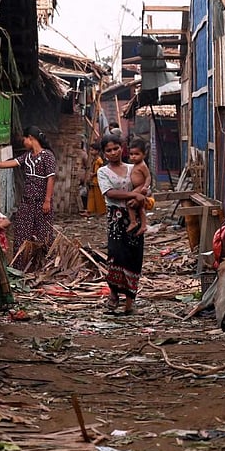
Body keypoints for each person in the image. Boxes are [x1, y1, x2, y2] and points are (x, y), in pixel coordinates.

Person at [97, 132, 149, 314]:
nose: (113, 152)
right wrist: (133, 194)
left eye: (116, 148)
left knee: (134, 257)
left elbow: (145, 185)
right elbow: (109, 193)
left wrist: (141, 195)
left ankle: (129, 302)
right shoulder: (102, 172)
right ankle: (113, 293)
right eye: (108, 150)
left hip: (134, 215)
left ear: (122, 148)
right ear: (104, 153)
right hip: (116, 219)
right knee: (116, 255)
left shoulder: (132, 167)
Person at [0, 126, 56, 269]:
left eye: (24, 139)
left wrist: (47, 201)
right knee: (22, 234)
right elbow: (12, 163)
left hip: (42, 203)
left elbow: (51, 179)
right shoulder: (27, 157)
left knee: (43, 235)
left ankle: (42, 267)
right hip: (27, 202)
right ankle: (21, 267)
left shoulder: (47, 156)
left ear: (31, 138)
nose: (23, 142)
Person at [126, 137, 155, 235]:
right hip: (137, 188)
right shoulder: (135, 165)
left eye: (137, 154)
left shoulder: (142, 165)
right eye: (131, 154)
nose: (133, 156)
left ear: (144, 154)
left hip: (140, 187)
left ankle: (133, 222)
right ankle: (143, 226)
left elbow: (148, 177)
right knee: (140, 207)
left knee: (129, 202)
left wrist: (145, 187)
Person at [85, 143, 106, 216]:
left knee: (98, 196)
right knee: (91, 196)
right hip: (93, 180)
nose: (91, 152)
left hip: (97, 180)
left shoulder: (99, 160)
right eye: (90, 150)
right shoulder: (94, 160)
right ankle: (90, 210)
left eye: (92, 150)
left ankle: (101, 211)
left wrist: (93, 174)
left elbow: (100, 170)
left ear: (97, 151)